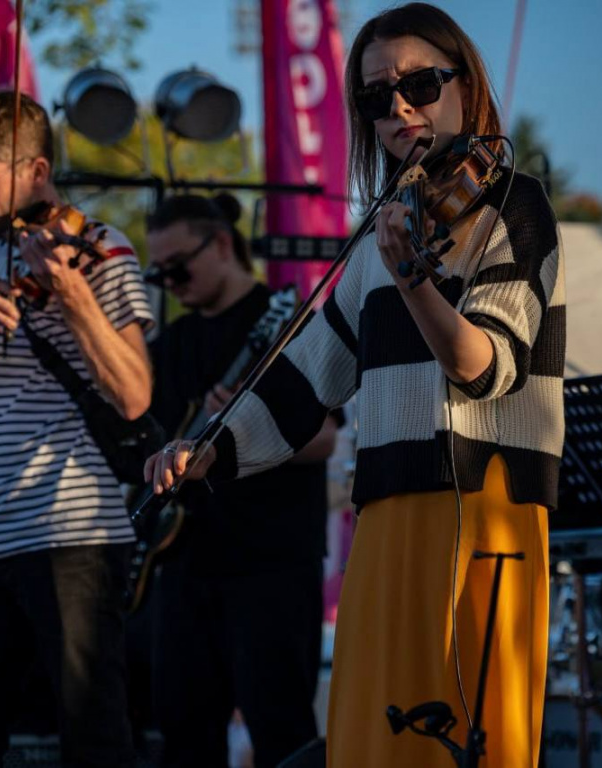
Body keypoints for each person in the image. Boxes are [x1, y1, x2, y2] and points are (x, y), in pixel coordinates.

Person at [146, 4, 566, 766]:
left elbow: (485, 365)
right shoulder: (385, 232)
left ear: (464, 84)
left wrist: (414, 280)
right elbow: (307, 376)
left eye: (418, 85)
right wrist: (210, 449)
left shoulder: (515, 202)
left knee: (475, 742)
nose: (400, 108)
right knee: (379, 739)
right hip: (389, 505)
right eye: (377, 98)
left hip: (484, 506)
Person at [0, 91, 154, 767]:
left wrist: (74, 296)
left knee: (93, 735)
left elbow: (135, 394)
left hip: (74, 531)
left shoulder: (102, 246)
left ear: (37, 172)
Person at [144, 193, 337, 767]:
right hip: (185, 565)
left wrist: (254, 430)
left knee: (282, 733)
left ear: (222, 244)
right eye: (159, 271)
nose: (170, 280)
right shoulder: (172, 343)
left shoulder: (284, 319)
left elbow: (327, 435)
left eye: (178, 265)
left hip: (271, 565)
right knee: (184, 737)